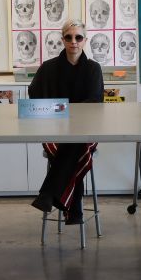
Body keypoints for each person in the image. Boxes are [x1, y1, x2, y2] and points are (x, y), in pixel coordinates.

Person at [29, 19, 104, 224]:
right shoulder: (48, 68)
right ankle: (74, 209)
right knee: (72, 145)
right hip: (53, 130)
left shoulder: (93, 69)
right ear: (63, 40)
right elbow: (34, 96)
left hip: (86, 130)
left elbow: (95, 102)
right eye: (69, 37)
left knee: (77, 141)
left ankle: (48, 194)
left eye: (78, 37)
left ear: (85, 40)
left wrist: (66, 113)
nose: (74, 41)